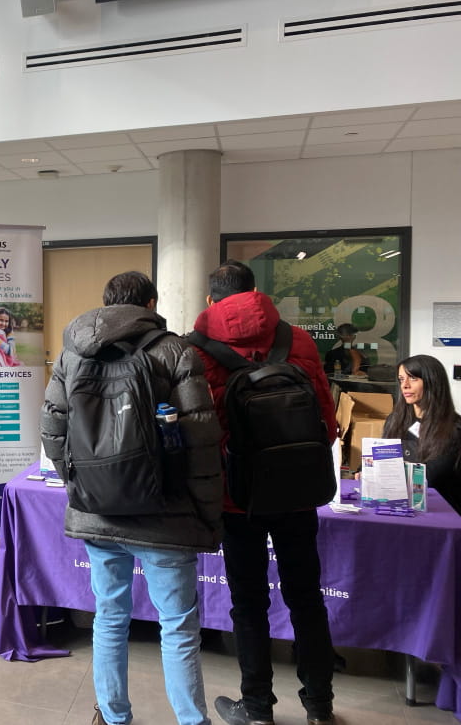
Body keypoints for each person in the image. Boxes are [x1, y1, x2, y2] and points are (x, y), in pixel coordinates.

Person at [41, 271, 223, 725]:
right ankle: (191, 720)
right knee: (178, 625)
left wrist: (81, 485)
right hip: (166, 514)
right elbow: (201, 439)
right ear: (151, 302)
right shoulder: (176, 351)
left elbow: (52, 431)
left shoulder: (72, 354)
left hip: (98, 513)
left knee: (109, 616)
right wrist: (205, 509)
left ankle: (113, 716)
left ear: (105, 304)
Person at [191, 260, 337, 725]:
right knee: (307, 597)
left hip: (237, 498)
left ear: (211, 300)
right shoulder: (298, 339)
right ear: (258, 293)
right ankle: (320, 708)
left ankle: (256, 710)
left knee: (248, 602)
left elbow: (199, 432)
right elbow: (328, 426)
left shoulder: (196, 350)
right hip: (297, 491)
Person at [383, 354, 461, 515]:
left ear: (432, 382)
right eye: (401, 379)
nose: (404, 385)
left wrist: (385, 473)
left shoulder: (454, 428)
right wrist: (364, 469)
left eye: (412, 378)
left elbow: (432, 476)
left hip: (441, 513)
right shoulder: (395, 420)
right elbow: (381, 455)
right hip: (399, 507)